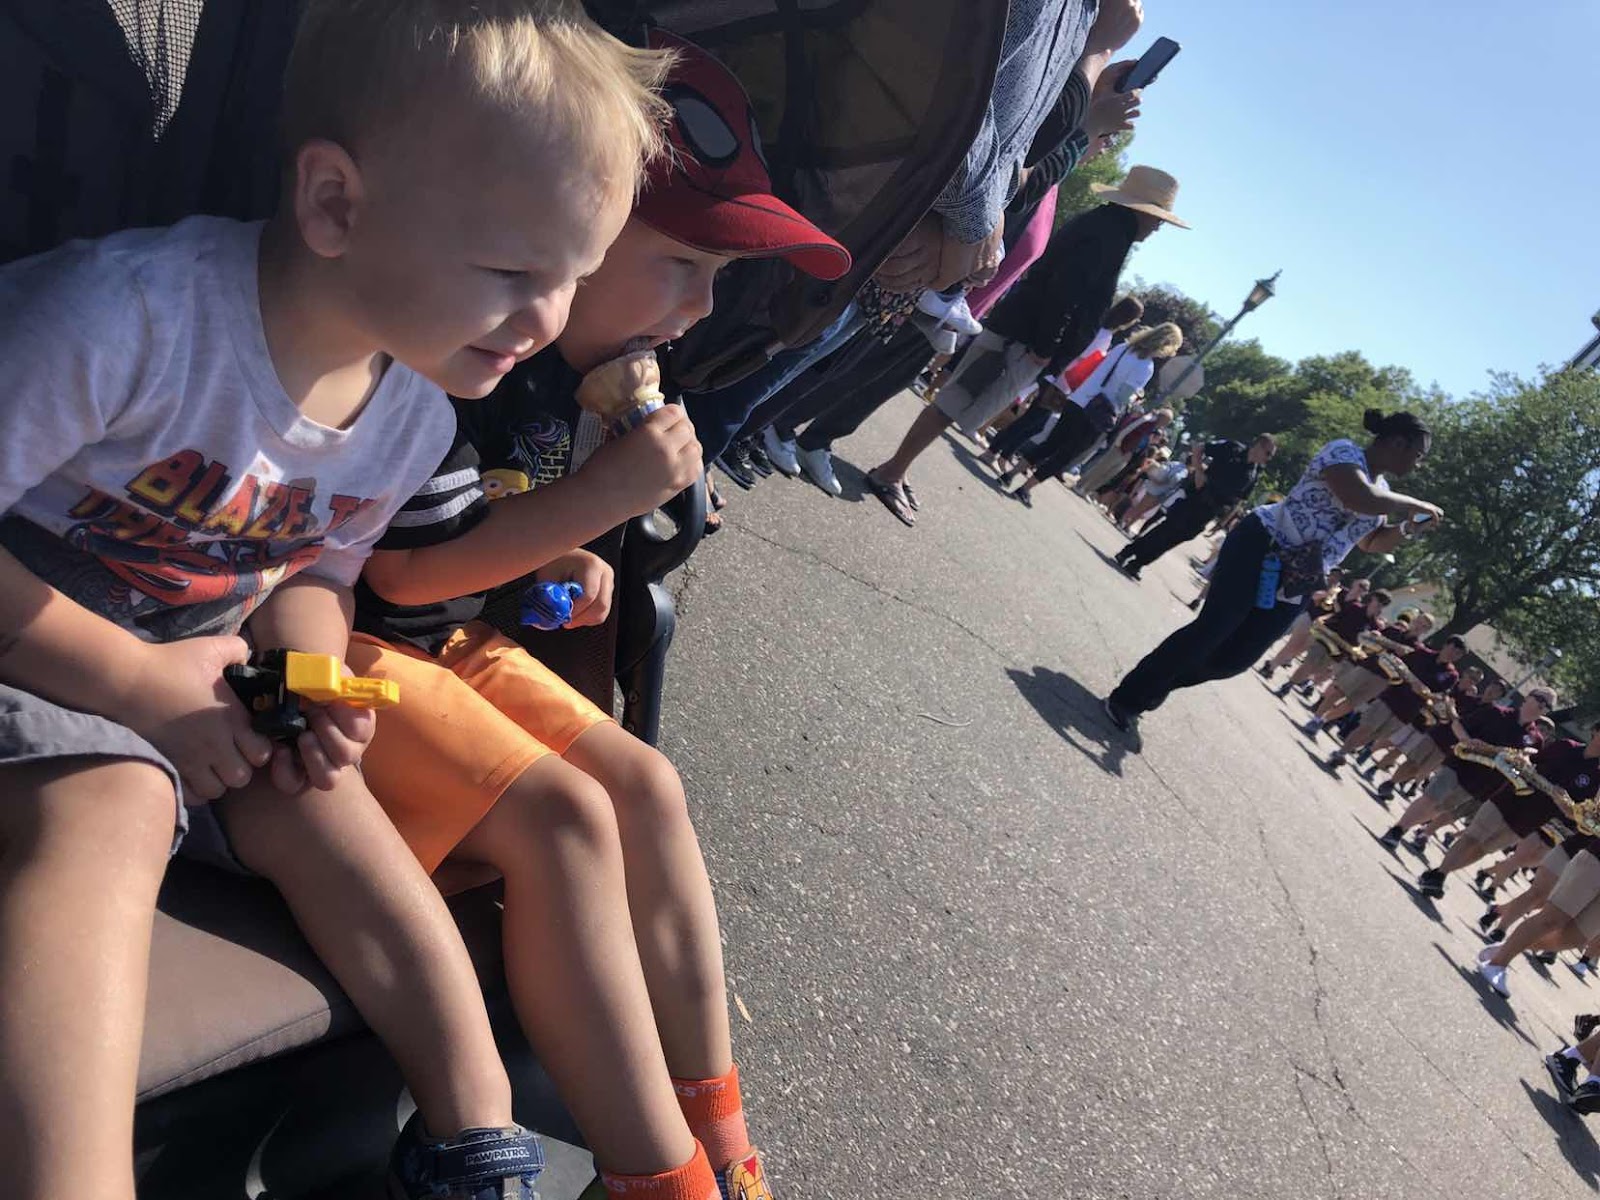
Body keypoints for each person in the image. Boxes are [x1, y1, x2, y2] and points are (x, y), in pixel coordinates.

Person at [0, 3, 671, 1197]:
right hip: (43, 636)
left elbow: (311, 568)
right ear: (335, 206)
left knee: (324, 800)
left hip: (190, 664)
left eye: (573, 277)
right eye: (514, 273)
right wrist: (139, 687)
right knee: (116, 802)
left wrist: (305, 678)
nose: (549, 322)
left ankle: (472, 1141)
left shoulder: (405, 416)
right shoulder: (125, 321)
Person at [351, 31, 849, 1200]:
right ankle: (657, 1178)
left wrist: (569, 545)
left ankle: (719, 1134)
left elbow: (485, 527)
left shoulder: (551, 378)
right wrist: (601, 498)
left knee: (648, 787)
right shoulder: (451, 348)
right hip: (354, 645)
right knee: (571, 818)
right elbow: (402, 575)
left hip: (455, 642)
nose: (701, 309)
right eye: (681, 264)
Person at [1103, 410, 1442, 745]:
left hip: (1298, 580)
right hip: (1261, 545)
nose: (1419, 464)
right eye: (1419, 455)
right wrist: (1413, 503)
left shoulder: (1384, 492)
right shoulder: (1344, 453)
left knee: (1235, 659)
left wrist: (1408, 527)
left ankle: (1159, 683)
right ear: (1398, 443)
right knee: (1212, 631)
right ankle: (1129, 698)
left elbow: (1371, 542)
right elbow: (1358, 497)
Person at [998, 320, 1184, 506]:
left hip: (1079, 398)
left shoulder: (1123, 348)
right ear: (1165, 345)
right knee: (1065, 455)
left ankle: (1010, 474)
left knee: (1051, 443)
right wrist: (1135, 399)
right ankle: (1026, 488)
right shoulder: (1146, 367)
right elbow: (1122, 396)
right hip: (1098, 412)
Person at [980, 294, 1145, 472]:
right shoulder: (1104, 335)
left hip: (1061, 379)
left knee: (1035, 423)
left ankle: (1003, 453)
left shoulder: (1101, 329)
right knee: (1032, 421)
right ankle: (994, 451)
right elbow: (1082, 356)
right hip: (1061, 380)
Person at [1108, 433, 1278, 577]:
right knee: (1166, 530)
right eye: (1268, 453)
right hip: (1196, 498)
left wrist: (1223, 522)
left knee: (1175, 539)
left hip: (1210, 511)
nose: (1269, 459)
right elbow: (1199, 448)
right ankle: (1127, 553)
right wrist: (1199, 472)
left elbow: (1239, 500)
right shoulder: (1232, 448)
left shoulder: (1254, 473)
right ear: (1259, 446)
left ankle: (1138, 564)